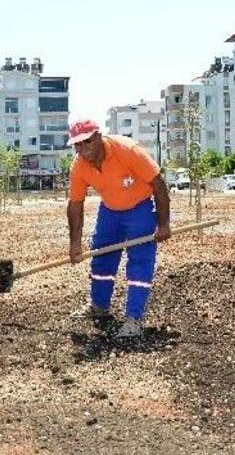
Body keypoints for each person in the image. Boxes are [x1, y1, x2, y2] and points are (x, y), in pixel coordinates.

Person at [66, 119, 171, 338]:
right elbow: (75, 204)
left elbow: (158, 183)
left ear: (98, 137)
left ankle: (134, 318)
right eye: (77, 145)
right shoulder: (79, 166)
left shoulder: (127, 150)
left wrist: (163, 224)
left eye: (86, 142)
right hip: (110, 211)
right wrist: (75, 243)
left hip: (139, 208)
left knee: (140, 262)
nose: (82, 149)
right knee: (101, 257)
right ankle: (99, 307)